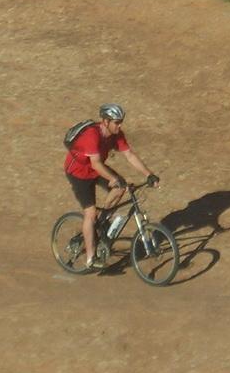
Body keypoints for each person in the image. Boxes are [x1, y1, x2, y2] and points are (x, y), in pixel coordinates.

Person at [64, 103, 159, 268]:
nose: (120, 125)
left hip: (96, 169)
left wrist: (148, 174)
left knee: (121, 188)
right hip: (78, 173)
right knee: (90, 212)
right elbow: (95, 164)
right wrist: (114, 178)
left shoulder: (116, 134)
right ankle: (90, 257)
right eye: (117, 122)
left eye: (121, 121)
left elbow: (129, 155)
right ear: (105, 122)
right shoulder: (92, 135)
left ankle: (102, 221)